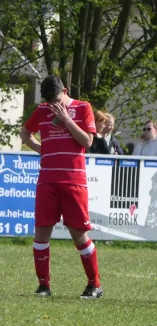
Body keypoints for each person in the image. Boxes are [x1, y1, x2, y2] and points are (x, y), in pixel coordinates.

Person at [19, 75, 103, 299]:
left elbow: (87, 142)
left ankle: (95, 284)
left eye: (56, 100)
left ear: (65, 91)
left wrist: (67, 120)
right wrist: (42, 150)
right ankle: (43, 285)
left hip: (73, 181)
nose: (52, 105)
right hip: (47, 180)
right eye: (48, 101)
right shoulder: (42, 110)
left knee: (78, 234)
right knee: (41, 232)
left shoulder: (83, 107)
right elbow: (25, 134)